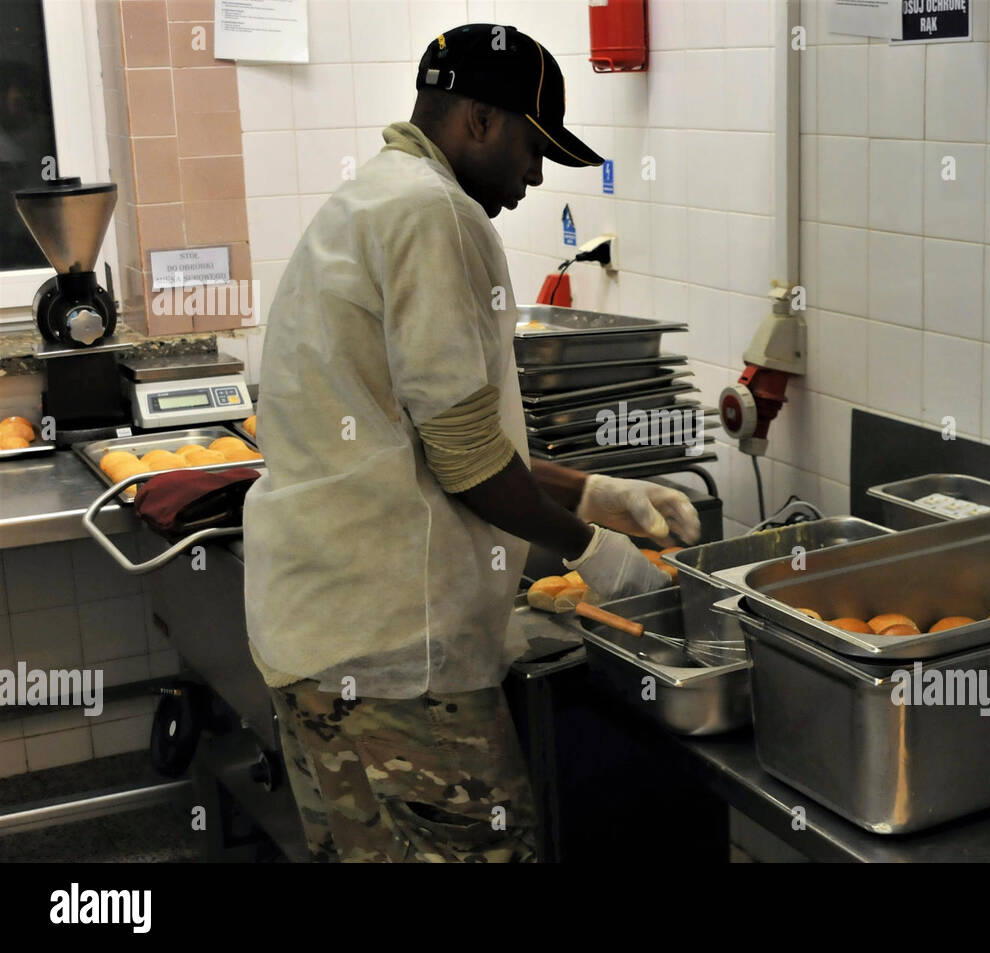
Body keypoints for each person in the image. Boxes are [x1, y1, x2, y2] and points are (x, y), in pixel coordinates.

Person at [242, 24, 700, 863]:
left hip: (316, 640)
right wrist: (596, 550)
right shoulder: (437, 215)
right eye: (532, 149)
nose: (534, 177)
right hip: (396, 667)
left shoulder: (373, 199)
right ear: (480, 121)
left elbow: (435, 436)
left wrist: (596, 490)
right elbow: (466, 462)